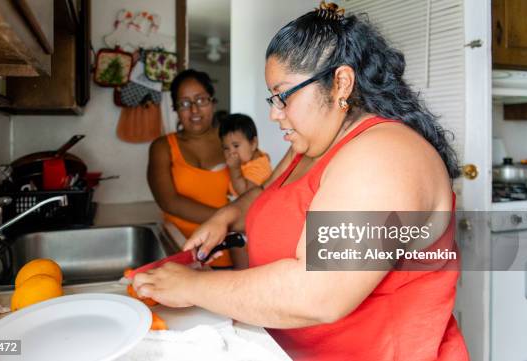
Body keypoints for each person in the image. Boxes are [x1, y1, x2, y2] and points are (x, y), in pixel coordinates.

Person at [135, 2, 469, 360]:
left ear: (341, 83)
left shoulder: (385, 156)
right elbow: (265, 192)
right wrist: (226, 218)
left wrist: (194, 286)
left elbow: (319, 292)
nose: (273, 114)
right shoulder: (311, 145)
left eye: (283, 96)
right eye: (272, 97)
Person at [147, 69, 232, 267]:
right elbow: (169, 202)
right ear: (175, 108)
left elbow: (256, 183)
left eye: (201, 100)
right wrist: (231, 217)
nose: (194, 110)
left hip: (232, 251)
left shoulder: (232, 139)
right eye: (184, 103)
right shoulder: (162, 147)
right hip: (182, 253)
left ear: (212, 102)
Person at [219, 113, 272, 197]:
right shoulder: (246, 159)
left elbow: (245, 193)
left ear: (253, 144)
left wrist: (235, 169)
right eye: (226, 148)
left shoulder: (259, 167)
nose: (231, 152)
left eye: (236, 146)